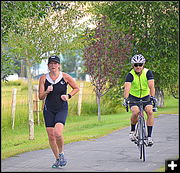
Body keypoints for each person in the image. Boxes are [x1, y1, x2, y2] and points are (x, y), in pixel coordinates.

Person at [38, 55, 79, 168]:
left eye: (55, 63)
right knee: (51, 136)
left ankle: (61, 154)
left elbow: (76, 88)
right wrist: (46, 91)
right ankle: (57, 159)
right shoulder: (43, 79)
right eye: (51, 63)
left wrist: (68, 96)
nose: (53, 65)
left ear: (59, 65)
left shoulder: (65, 77)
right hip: (48, 109)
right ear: (48, 66)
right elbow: (40, 97)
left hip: (61, 108)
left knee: (58, 133)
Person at [123, 54, 157, 146]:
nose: (138, 67)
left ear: (143, 65)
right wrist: (126, 99)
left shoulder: (148, 72)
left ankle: (149, 137)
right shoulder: (130, 74)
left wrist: (152, 97)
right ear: (132, 65)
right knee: (135, 112)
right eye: (136, 65)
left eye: (140, 64)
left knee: (150, 112)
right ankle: (133, 131)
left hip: (146, 96)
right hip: (134, 97)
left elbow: (151, 86)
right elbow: (127, 88)